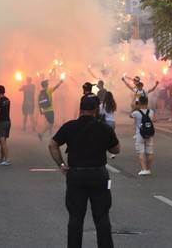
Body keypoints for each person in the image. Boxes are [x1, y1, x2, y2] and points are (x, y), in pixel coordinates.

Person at [49, 96, 120, 248]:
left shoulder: (69, 126)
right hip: (99, 175)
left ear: (80, 109)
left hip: (76, 175)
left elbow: (52, 145)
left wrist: (62, 164)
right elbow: (116, 149)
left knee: (75, 218)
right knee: (102, 217)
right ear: (96, 110)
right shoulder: (103, 127)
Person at [130, 95, 154, 176]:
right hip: (149, 134)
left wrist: (135, 106)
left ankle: (143, 169)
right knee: (149, 152)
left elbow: (130, 115)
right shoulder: (151, 112)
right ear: (147, 103)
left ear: (139, 103)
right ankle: (148, 169)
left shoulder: (136, 113)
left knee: (141, 152)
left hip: (140, 135)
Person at [0, 85, 11, 166]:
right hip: (8, 122)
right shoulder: (7, 100)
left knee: (2, 142)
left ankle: (7, 159)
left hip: (1, 123)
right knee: (3, 142)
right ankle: (1, 158)